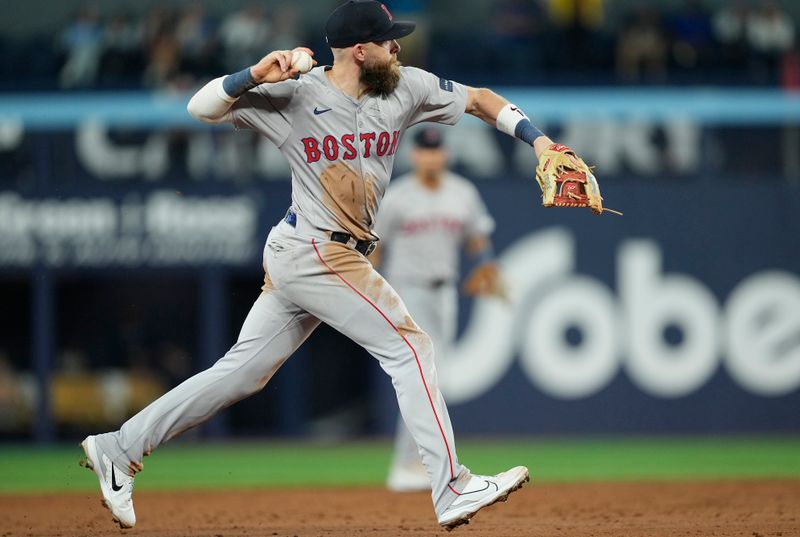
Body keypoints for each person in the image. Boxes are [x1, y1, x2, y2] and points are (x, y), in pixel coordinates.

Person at [80, 0, 583, 530]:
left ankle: (120, 446)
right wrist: (253, 74)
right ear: (361, 49)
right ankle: (452, 486)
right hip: (317, 248)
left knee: (242, 372)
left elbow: (479, 100)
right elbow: (199, 109)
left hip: (319, 252)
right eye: (389, 39)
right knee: (411, 345)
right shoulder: (295, 94)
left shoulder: (406, 87)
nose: (398, 46)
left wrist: (540, 141)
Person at [371, 126, 502, 492]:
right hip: (404, 292)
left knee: (432, 377)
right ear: (415, 156)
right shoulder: (397, 197)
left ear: (444, 154)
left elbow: (477, 237)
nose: (431, 156)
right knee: (422, 375)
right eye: (425, 150)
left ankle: (417, 465)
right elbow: (375, 250)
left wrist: (487, 265)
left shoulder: (463, 193)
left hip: (444, 292)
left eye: (436, 150)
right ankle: (409, 465)